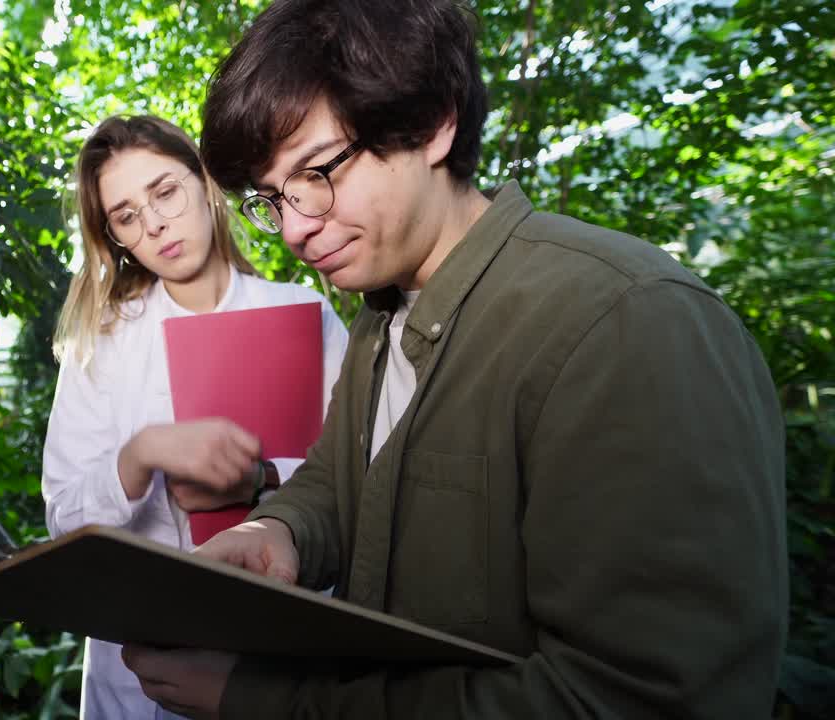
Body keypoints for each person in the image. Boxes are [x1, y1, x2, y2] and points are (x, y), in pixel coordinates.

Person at [120, 1, 789, 718]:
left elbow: (639, 699)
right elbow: (348, 482)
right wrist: (277, 531)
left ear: (433, 122)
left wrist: (263, 699)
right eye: (272, 199)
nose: (293, 228)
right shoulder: (381, 317)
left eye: (317, 172)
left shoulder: (625, 323)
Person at [41, 114, 349, 720]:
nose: (154, 223)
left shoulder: (304, 314)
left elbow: (359, 481)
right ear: (115, 237)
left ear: (204, 181)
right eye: (126, 216)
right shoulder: (101, 345)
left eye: (164, 192)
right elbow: (63, 524)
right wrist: (137, 456)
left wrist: (259, 480)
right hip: (135, 678)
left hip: (275, 658)